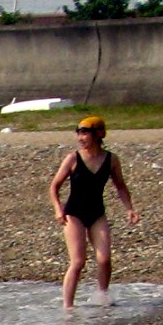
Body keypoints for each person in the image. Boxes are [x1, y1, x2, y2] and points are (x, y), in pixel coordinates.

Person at [49, 115, 137, 308]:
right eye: (78, 133)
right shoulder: (73, 158)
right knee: (78, 262)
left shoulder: (111, 159)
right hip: (73, 214)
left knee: (104, 259)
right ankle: (68, 307)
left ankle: (102, 297)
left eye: (85, 133)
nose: (80, 138)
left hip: (97, 212)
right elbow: (54, 187)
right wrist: (58, 209)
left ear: (98, 134)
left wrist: (129, 209)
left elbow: (120, 186)